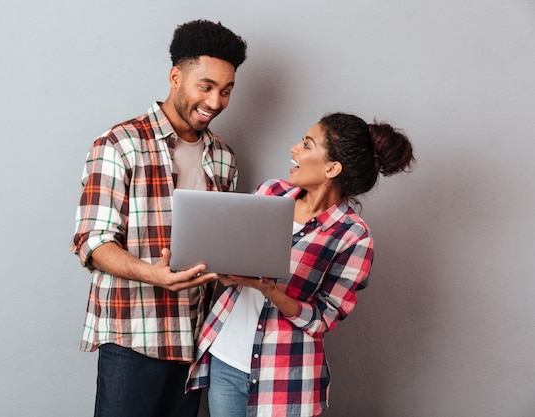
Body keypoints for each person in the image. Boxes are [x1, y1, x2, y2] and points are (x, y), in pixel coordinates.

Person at [70, 19, 247, 417]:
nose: (216, 101)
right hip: (134, 336)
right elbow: (92, 241)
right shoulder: (119, 144)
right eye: (206, 86)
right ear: (175, 77)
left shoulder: (224, 156)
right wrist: (154, 274)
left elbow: (220, 244)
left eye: (227, 90)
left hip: (194, 340)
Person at [187, 112, 415, 417]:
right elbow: (233, 261)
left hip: (284, 377)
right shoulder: (270, 193)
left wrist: (272, 290)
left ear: (332, 167)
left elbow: (323, 318)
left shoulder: (353, 235)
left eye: (307, 145)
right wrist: (225, 271)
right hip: (226, 358)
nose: (294, 148)